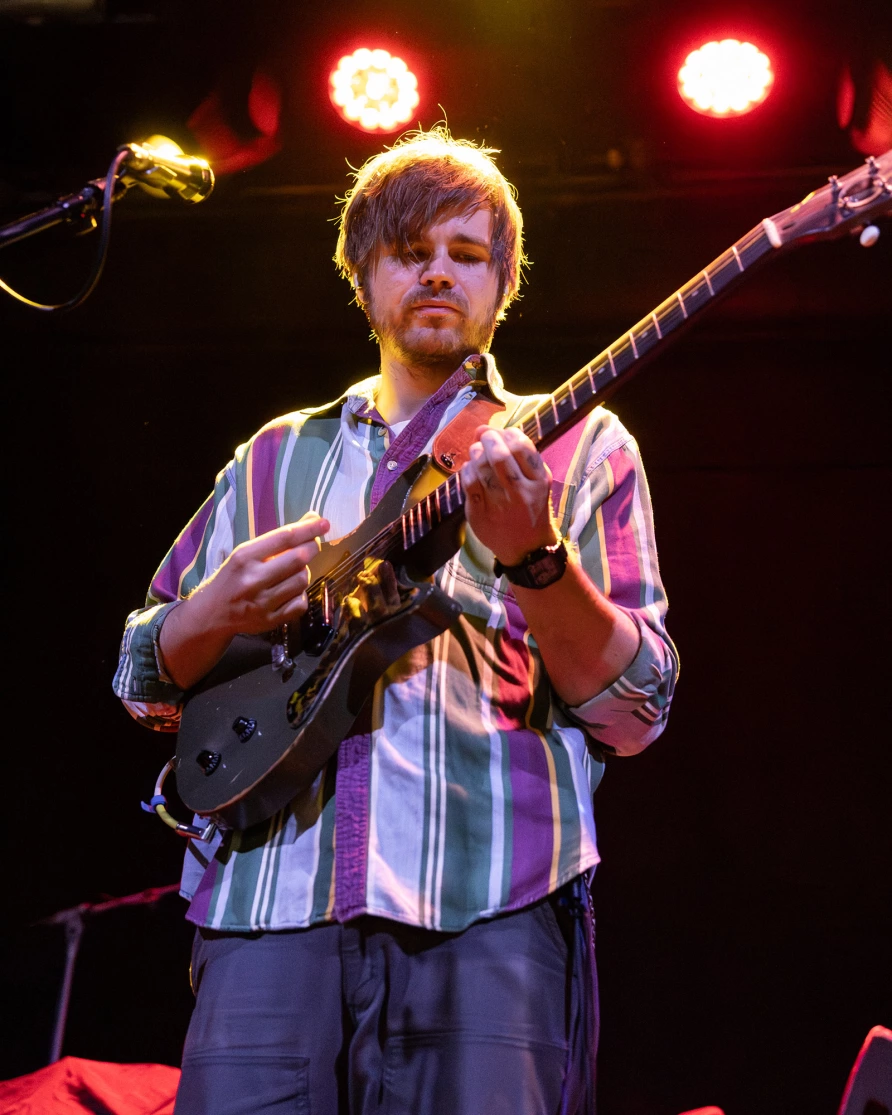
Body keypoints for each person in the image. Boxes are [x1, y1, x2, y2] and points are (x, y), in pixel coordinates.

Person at [114, 128, 678, 1115]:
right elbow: (139, 676)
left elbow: (636, 711)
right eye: (409, 250)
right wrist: (207, 612)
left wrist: (535, 561)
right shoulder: (275, 456)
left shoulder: (580, 445)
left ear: (502, 284)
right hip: (264, 913)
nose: (437, 272)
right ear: (362, 274)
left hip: (493, 910)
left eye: (467, 255)